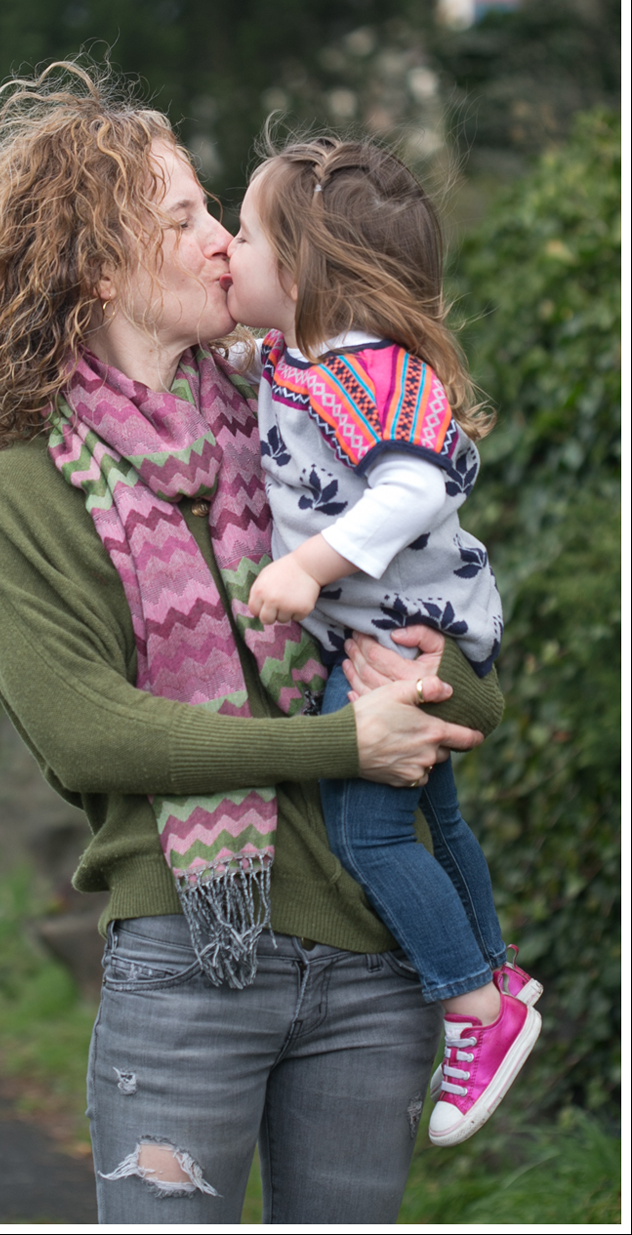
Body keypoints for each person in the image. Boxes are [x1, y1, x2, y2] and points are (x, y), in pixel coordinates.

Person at [0, 62, 505, 1223]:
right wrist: (344, 742)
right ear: (99, 264)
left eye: (218, 215)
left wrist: (431, 682)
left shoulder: (301, 424)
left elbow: (468, 672)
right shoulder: (20, 493)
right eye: (185, 216)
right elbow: (91, 734)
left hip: (375, 957)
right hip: (187, 962)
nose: (221, 244)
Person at [226, 135, 542, 1147]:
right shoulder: (297, 357)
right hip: (391, 634)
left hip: (412, 632)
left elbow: (421, 483)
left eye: (243, 235)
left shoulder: (373, 370)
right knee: (438, 821)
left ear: (302, 269)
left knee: (369, 837)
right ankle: (496, 976)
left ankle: (472, 1009)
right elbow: (256, 380)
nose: (227, 249)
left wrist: (309, 568)